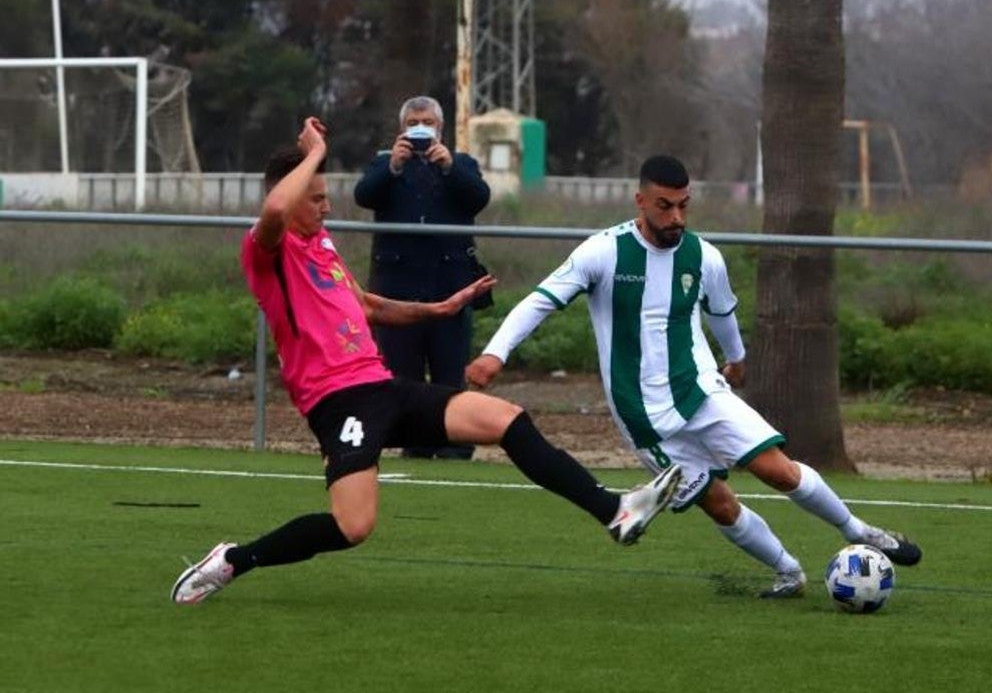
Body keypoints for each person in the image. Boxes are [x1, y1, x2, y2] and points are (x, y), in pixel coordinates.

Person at [170, 119, 681, 605]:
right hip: (337, 401)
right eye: (318, 199)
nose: (327, 208)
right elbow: (278, 209)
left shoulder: (321, 245)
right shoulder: (267, 249)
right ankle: (236, 559)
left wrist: (439, 309)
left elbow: (366, 305)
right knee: (353, 527)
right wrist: (317, 151)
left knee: (505, 419)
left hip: (382, 385)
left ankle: (614, 511)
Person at [466, 155, 921, 599]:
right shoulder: (603, 252)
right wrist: (495, 353)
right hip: (642, 415)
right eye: (665, 206)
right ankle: (788, 572)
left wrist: (737, 357)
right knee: (719, 503)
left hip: (701, 390)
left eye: (684, 205)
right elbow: (540, 301)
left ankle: (860, 531)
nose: (677, 216)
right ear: (640, 201)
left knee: (777, 471)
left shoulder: (704, 257)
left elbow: (721, 313)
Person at [354, 95, 488, 460]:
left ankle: (454, 447)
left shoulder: (462, 163)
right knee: (403, 376)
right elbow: (363, 195)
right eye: (414, 121)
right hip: (397, 288)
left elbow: (479, 198)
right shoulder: (385, 164)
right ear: (401, 128)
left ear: (440, 128)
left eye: (428, 122)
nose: (421, 128)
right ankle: (414, 445)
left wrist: (449, 168)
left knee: (449, 374)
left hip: (449, 284)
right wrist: (393, 166)